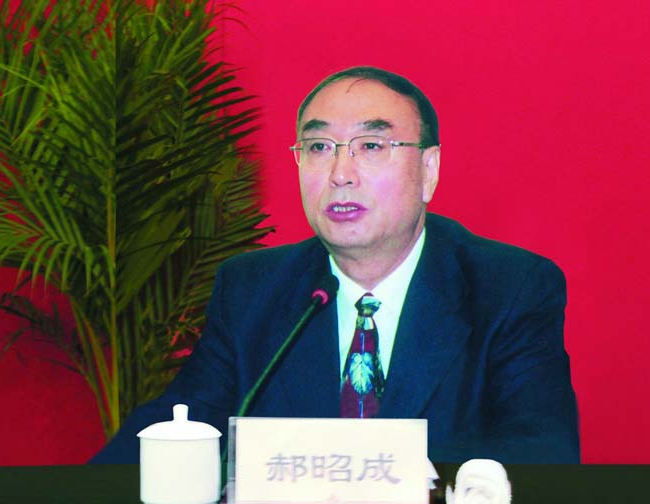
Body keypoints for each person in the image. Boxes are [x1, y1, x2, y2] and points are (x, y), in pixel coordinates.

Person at [92, 66, 579, 464]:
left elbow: (543, 453)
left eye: (371, 146)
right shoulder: (251, 289)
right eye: (319, 148)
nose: (340, 174)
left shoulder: (508, 288)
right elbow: (182, 424)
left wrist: (367, 476)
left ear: (428, 170)